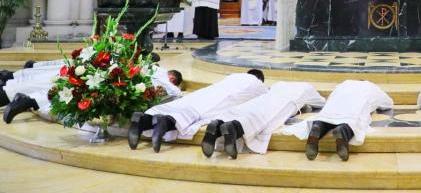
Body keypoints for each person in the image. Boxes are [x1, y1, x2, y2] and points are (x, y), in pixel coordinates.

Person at [128, 69, 267, 152]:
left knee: (185, 104)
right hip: (224, 100)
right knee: (199, 114)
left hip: (206, 93)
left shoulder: (233, 76)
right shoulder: (259, 85)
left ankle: (144, 120)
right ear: (260, 79)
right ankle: (165, 122)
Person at [2, 62, 182, 124]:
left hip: (116, 80)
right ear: (172, 77)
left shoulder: (154, 68)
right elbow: (175, 94)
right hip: (118, 84)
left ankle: (26, 99)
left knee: (70, 90)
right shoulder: (168, 82)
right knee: (74, 92)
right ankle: (27, 100)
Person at [201, 82, 325, 159]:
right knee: (264, 119)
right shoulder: (308, 88)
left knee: (247, 110)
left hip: (264, 99)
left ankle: (217, 125)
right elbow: (321, 103)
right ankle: (234, 127)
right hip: (285, 102)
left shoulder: (279, 84)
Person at [283, 80, 393, 161]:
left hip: (334, 103)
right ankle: (343, 130)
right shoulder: (372, 87)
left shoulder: (344, 84)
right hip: (356, 105)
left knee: (327, 117)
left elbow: (331, 97)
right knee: (353, 121)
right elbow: (388, 103)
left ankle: (317, 126)